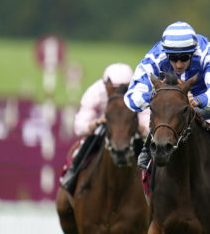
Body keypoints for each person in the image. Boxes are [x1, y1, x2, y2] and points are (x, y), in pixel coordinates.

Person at [125, 20, 210, 171]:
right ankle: (148, 147)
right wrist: (155, 97)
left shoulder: (206, 53)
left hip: (201, 99)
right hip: (171, 101)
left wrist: (199, 100)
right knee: (162, 109)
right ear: (166, 54)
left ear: (193, 53)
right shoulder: (154, 57)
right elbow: (132, 97)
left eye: (184, 58)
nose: (178, 64)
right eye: (173, 58)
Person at [59, 63, 149, 193]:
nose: (118, 93)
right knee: (83, 147)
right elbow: (79, 127)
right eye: (114, 89)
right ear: (106, 86)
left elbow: (148, 124)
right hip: (103, 129)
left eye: (123, 89)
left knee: (148, 154)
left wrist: (136, 126)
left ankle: (154, 184)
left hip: (129, 131)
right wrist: (97, 122)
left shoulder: (139, 93)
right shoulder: (95, 92)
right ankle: (71, 175)